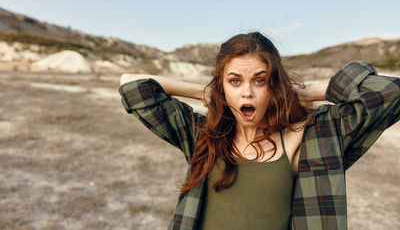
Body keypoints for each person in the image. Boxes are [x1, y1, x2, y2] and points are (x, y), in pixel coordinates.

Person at [119, 32, 400, 230]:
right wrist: (210, 94)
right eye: (235, 81)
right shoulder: (202, 135)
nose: (247, 93)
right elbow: (132, 85)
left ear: (274, 85)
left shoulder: (304, 137)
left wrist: (308, 92)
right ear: (222, 85)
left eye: (260, 80)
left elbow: (391, 93)